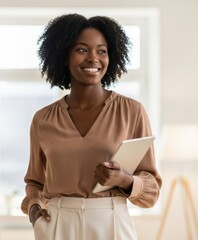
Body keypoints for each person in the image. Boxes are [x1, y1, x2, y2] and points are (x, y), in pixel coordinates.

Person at [21, 13, 162, 240]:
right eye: (82, 50)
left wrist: (123, 180)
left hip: (111, 223)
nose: (93, 58)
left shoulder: (132, 111)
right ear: (64, 55)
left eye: (101, 51)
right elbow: (35, 181)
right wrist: (35, 212)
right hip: (57, 224)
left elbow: (151, 188)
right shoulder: (43, 119)